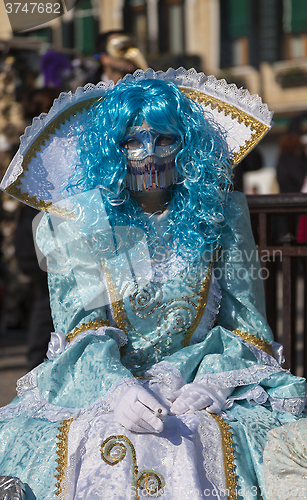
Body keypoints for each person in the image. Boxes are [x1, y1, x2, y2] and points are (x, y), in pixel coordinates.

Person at [0, 68, 306, 500]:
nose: (149, 154)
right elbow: (80, 329)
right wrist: (118, 389)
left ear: (187, 148)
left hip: (198, 390)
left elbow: (247, 326)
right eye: (131, 141)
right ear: (110, 150)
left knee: (206, 437)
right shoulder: (79, 222)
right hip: (104, 388)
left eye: (165, 139)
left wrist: (213, 382)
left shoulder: (222, 217)